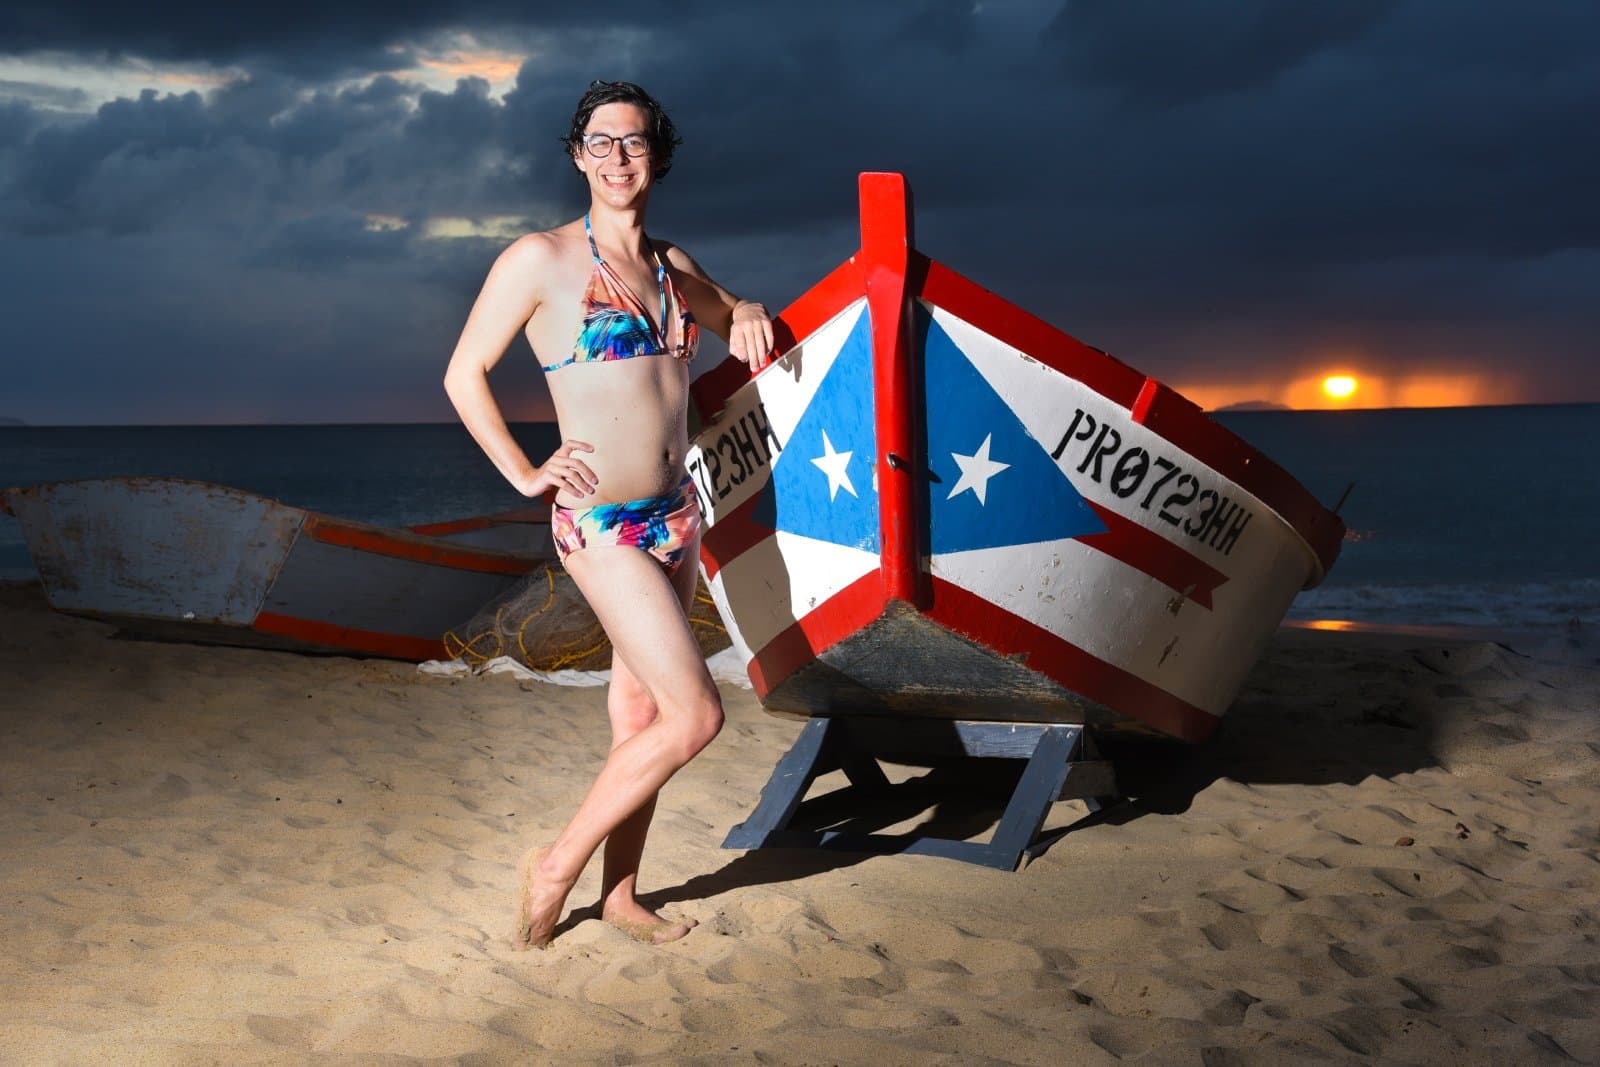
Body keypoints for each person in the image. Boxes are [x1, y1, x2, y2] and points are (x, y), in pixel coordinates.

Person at [444, 80, 773, 949]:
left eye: (632, 143)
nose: (617, 158)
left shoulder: (674, 267)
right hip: (599, 522)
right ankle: (556, 864)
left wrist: (747, 310)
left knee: (639, 717)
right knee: (695, 715)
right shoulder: (540, 260)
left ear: (657, 155)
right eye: (600, 143)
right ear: (577, 154)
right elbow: (463, 372)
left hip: (675, 516)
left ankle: (620, 895)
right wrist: (522, 471)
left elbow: (731, 310)